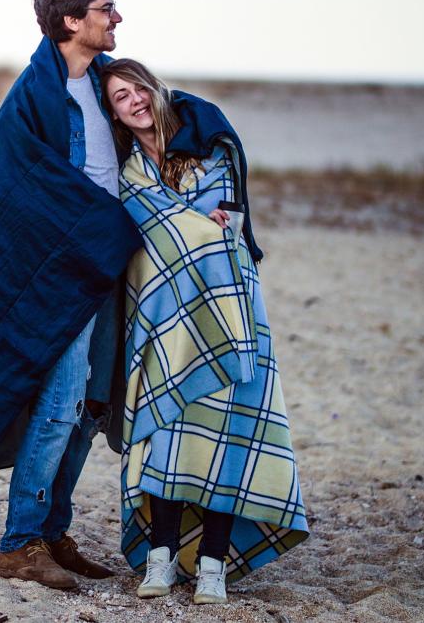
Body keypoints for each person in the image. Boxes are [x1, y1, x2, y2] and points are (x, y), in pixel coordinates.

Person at [0, 0, 143, 591]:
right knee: (58, 400)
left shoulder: (108, 83)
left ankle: (51, 529)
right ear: (71, 20)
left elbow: (170, 121)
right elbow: (18, 192)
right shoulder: (34, 95)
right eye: (106, 8)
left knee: (89, 403)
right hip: (59, 272)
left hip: (102, 264)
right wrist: (101, 226)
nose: (117, 17)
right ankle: (19, 543)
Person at [99, 58, 309, 604]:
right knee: (168, 435)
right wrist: (203, 228)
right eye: (120, 98)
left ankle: (213, 564)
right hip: (164, 322)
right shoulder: (129, 176)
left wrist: (217, 228)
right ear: (115, 114)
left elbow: (225, 229)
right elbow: (160, 236)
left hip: (230, 315)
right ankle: (161, 559)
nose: (133, 102)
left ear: (155, 89)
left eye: (137, 88)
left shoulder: (209, 154)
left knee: (225, 436)